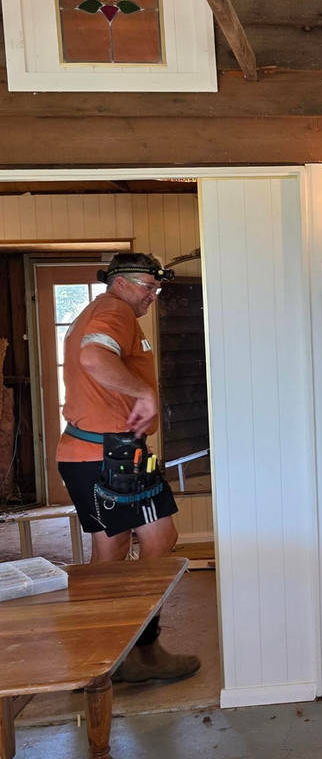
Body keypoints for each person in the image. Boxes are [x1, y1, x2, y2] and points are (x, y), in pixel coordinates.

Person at [56, 252, 200, 683]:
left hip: (87, 452)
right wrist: (145, 394)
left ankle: (104, 655)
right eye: (147, 286)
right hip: (114, 453)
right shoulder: (115, 310)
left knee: (111, 551)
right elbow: (93, 358)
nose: (153, 295)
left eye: (157, 288)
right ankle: (142, 649)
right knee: (160, 539)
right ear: (120, 283)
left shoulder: (97, 311)